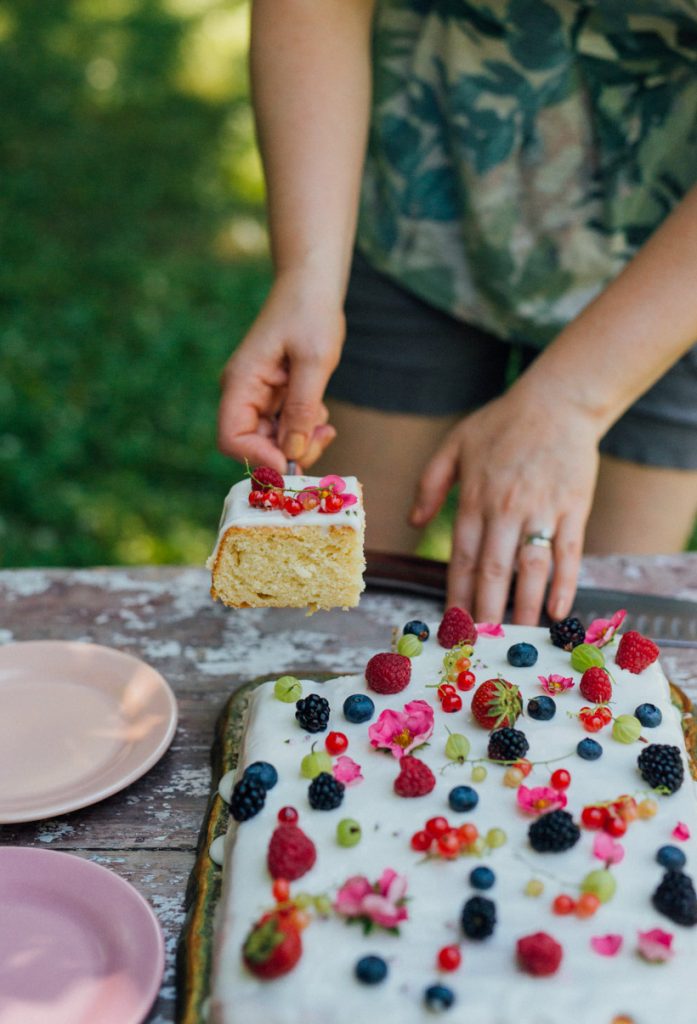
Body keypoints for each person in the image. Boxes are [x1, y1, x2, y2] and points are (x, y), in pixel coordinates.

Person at [217, 0, 697, 625]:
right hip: (422, 199)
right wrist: (307, 278)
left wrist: (573, 400)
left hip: (670, 270)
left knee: (592, 651)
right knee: (309, 609)